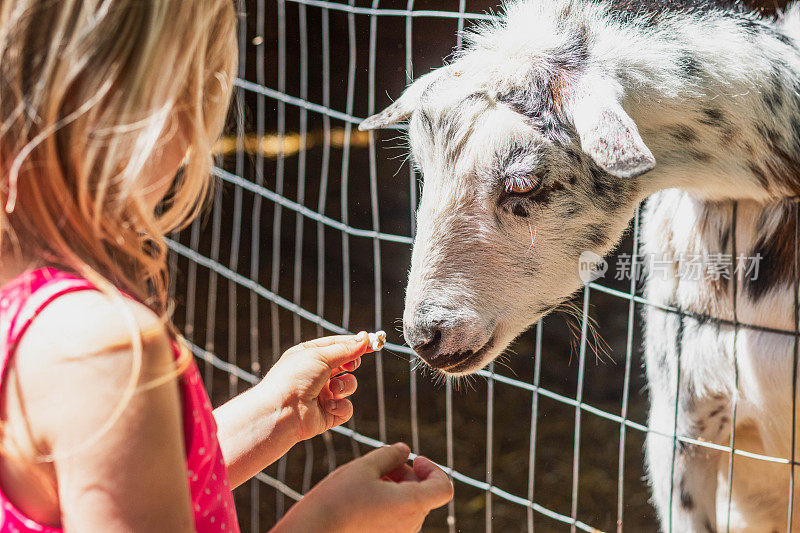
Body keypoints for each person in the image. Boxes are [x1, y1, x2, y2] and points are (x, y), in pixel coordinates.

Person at [0, 1, 453, 532]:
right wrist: (334, 520)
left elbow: (131, 483)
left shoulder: (34, 313)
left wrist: (271, 414)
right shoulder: (106, 354)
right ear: (146, 106)